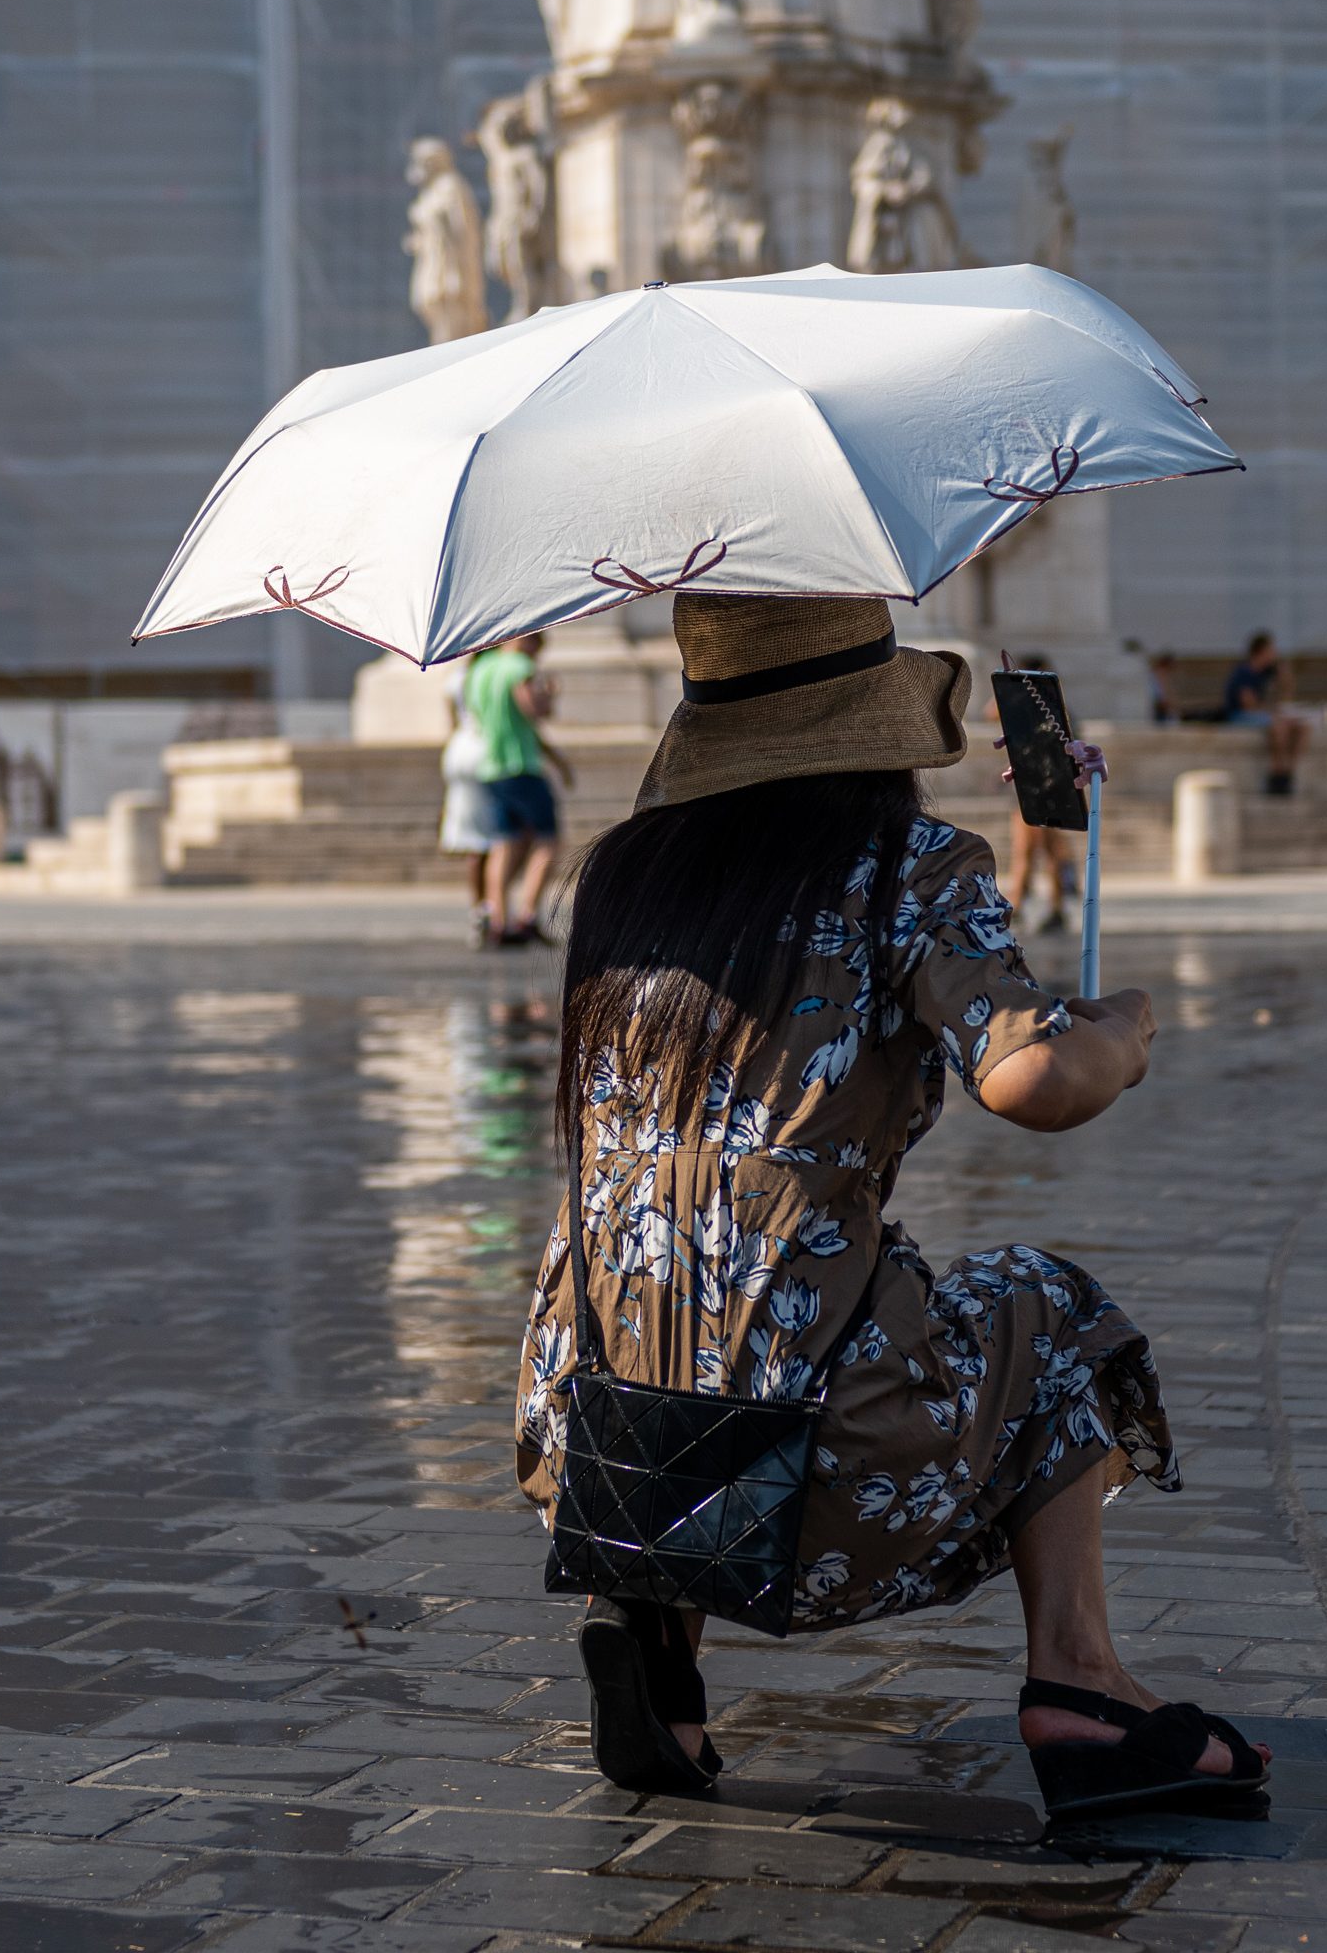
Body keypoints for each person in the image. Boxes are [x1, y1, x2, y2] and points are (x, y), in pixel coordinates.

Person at [516, 591, 1268, 1819]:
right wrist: (1120, 1038)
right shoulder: (908, 868)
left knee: (688, 1262)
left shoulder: (621, 875)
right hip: (816, 1463)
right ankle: (1081, 1688)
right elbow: (1029, 1074)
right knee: (1052, 1309)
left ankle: (658, 1636)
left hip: (591, 1433)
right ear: (874, 722)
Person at [463, 631, 577, 948]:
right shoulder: (519, 668)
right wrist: (548, 695)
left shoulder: (481, 668)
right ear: (527, 640)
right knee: (547, 840)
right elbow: (532, 709)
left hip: (491, 765)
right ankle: (527, 916)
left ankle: (497, 921)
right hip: (521, 764)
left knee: (504, 843)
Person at [1001, 654, 1082, 935]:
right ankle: (1043, 906)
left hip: (1039, 791)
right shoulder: (1053, 710)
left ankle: (1022, 905)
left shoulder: (1044, 712)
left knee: (1031, 850)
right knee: (1043, 850)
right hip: (1044, 790)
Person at [436, 658, 498, 946]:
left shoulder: (457, 677)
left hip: (458, 750)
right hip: (484, 752)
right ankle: (489, 908)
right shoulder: (492, 672)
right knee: (495, 838)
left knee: (476, 839)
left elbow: (451, 720)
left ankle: (480, 907)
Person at [1221, 632, 1308, 795]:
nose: (1274, 654)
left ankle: (1289, 771)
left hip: (1263, 714)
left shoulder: (1266, 673)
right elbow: (1248, 705)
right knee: (1279, 726)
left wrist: (1285, 677)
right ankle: (1277, 771)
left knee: (1302, 727)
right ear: (1261, 651)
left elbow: (1284, 698)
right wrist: (1273, 713)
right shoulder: (1244, 672)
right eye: (1271, 650)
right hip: (1239, 715)